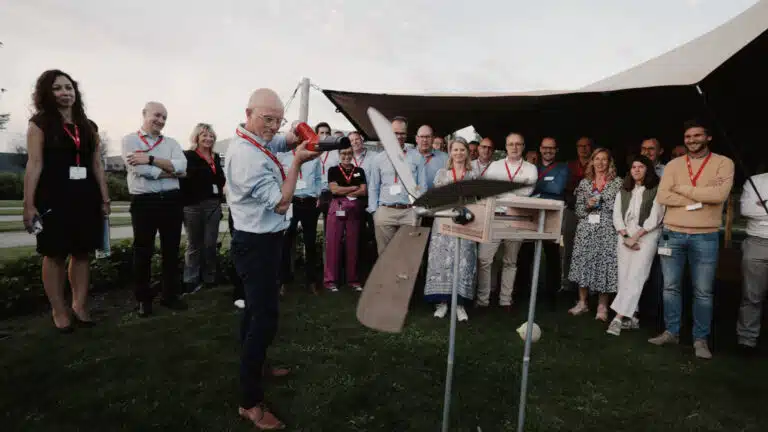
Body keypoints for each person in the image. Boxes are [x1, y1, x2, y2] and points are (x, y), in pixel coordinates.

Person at [225, 88, 319, 429]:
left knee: (254, 312)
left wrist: (295, 135)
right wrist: (297, 162)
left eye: (279, 120)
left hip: (264, 241)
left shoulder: (255, 139)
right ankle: (249, 402)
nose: (274, 127)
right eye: (268, 119)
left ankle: (257, 366)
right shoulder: (246, 156)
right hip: (256, 245)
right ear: (248, 113)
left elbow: (279, 141)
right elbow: (280, 203)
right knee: (264, 319)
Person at [22, 69, 110, 332]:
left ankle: (79, 306)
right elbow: (34, 164)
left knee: (82, 253)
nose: (65, 93)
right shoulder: (39, 124)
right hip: (53, 198)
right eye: (58, 88)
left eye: (69, 87)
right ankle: (58, 310)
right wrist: (29, 204)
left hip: (86, 197)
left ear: (76, 92)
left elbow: (96, 164)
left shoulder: (88, 126)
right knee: (55, 254)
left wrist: (105, 198)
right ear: (47, 94)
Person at [649, 120, 734, 360]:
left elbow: (719, 195)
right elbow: (663, 196)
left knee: (703, 291)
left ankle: (700, 339)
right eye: (688, 136)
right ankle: (671, 332)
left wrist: (682, 188)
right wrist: (698, 198)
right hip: (672, 233)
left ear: (708, 137)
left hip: (705, 235)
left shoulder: (723, 163)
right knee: (670, 287)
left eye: (697, 135)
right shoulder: (674, 165)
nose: (692, 140)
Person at [122, 102, 188, 317]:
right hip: (144, 202)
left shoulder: (172, 142)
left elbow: (182, 167)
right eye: (157, 115)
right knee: (143, 251)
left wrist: (150, 159)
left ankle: (170, 295)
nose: (160, 121)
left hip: (171, 201)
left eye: (164, 118)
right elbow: (139, 169)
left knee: (171, 250)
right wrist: (170, 169)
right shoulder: (130, 140)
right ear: (144, 114)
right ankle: (144, 299)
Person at [476, 133, 538, 310]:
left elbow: (526, 192)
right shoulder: (495, 166)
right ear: (505, 147)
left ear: (523, 146)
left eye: (518, 144)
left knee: (510, 261)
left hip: (517, 218)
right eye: (511, 144)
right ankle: (483, 299)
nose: (514, 147)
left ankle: (505, 300)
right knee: (484, 258)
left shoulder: (530, 168)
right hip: (494, 217)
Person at [607, 155, 664, 336]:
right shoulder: (624, 189)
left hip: (647, 234)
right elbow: (617, 216)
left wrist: (636, 237)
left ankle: (617, 318)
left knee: (637, 276)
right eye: (634, 167)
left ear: (648, 169)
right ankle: (632, 317)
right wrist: (625, 236)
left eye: (641, 167)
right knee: (624, 277)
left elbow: (656, 217)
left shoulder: (656, 189)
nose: (637, 170)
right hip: (624, 234)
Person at [424, 138, 478, 321]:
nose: (459, 153)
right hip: (444, 223)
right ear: (450, 152)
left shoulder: (473, 175)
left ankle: (460, 305)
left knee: (463, 261)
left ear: (467, 152)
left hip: (466, 224)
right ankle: (442, 304)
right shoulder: (442, 174)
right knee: (442, 262)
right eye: (455, 150)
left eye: (462, 150)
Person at [568, 148, 623, 321]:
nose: (600, 163)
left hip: (608, 229)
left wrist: (604, 205)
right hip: (586, 229)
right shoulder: (585, 183)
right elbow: (578, 210)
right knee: (583, 263)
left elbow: (621, 208)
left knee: (605, 265)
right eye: (596, 159)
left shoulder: (618, 183)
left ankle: (602, 306)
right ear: (592, 161)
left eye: (604, 159)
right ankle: (582, 303)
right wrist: (587, 205)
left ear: (610, 162)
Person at [366, 116, 427, 254]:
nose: (399, 136)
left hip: (409, 212)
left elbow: (422, 186)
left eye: (402, 133)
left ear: (406, 134)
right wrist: (375, 212)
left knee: (408, 255)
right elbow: (374, 186)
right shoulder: (378, 159)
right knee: (385, 255)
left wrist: (418, 210)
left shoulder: (417, 157)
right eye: (395, 133)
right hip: (385, 212)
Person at [179, 123, 226, 294]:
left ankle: (209, 277)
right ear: (197, 137)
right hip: (192, 205)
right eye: (204, 135)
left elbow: (220, 179)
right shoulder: (188, 156)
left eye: (211, 136)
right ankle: (190, 280)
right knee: (194, 244)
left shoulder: (216, 157)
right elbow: (185, 179)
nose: (208, 138)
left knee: (210, 243)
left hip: (213, 204)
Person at [277, 139, 322, 294]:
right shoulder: (284, 156)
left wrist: (317, 194)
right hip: (291, 202)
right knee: (286, 242)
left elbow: (318, 178)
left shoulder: (313, 157)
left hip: (309, 202)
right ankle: (284, 280)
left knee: (310, 243)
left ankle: (311, 280)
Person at [532, 137, 570, 308]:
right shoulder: (533, 167)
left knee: (552, 254)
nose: (548, 151)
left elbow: (558, 188)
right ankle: (524, 291)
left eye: (552, 148)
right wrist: (547, 183)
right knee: (526, 252)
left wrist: (538, 188)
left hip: (553, 214)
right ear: (540, 149)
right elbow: (527, 189)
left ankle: (551, 295)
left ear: (556, 150)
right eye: (545, 147)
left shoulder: (563, 167)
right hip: (532, 213)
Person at [323, 147, 367, 291]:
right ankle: (330, 281)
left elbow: (363, 191)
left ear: (353, 154)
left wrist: (344, 189)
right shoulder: (333, 170)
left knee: (353, 244)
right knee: (333, 243)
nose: (346, 156)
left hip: (354, 208)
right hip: (338, 207)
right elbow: (334, 190)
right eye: (343, 153)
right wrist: (353, 188)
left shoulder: (359, 171)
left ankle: (353, 279)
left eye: (349, 153)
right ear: (339, 154)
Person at [736, 171, 768, 355]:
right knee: (751, 294)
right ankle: (747, 339)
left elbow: (755, 210)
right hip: (756, 242)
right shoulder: (755, 181)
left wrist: (763, 204)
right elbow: (746, 210)